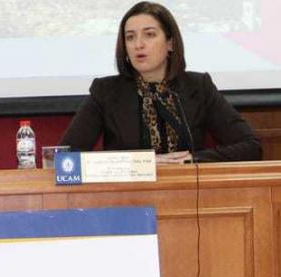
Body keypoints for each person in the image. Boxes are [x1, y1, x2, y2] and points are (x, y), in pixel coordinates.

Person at [59, 2, 261, 163]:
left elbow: (251, 146)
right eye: (130, 37)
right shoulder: (105, 92)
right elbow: (66, 157)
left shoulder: (199, 87)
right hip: (128, 196)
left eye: (149, 35)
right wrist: (145, 164)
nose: (138, 44)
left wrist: (191, 160)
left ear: (170, 43)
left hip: (188, 192)